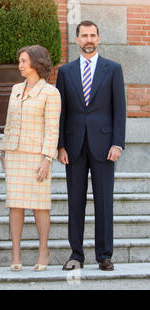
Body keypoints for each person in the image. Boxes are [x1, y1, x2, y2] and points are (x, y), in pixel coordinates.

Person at [56, 21, 126, 271]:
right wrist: (60, 145)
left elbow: (120, 109)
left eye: (92, 35)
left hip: (105, 146)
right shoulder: (65, 72)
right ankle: (76, 255)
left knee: (104, 201)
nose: (88, 39)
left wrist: (118, 142)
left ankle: (104, 255)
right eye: (84, 35)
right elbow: (60, 112)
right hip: (73, 147)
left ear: (99, 38)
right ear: (76, 39)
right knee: (75, 202)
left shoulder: (113, 69)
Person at [0, 45, 61, 272]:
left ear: (36, 63)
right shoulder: (16, 88)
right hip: (15, 154)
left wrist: (47, 158)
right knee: (15, 205)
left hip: (37, 156)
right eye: (20, 61)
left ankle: (43, 250)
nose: (20, 65)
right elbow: (8, 123)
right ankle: (16, 252)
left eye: (24, 61)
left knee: (40, 206)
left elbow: (52, 129)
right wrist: (3, 150)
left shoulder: (51, 93)